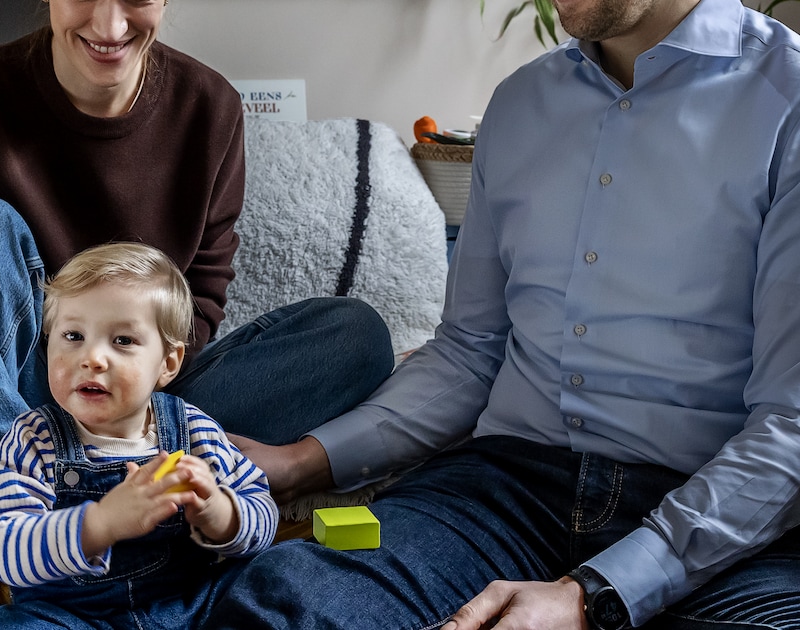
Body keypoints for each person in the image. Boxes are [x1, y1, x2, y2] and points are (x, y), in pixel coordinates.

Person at [210, 0, 800, 627]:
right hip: (502, 490)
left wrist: (594, 594)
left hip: (716, 512)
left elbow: (791, 423)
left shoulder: (786, 101)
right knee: (280, 608)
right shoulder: (522, 102)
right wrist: (300, 465)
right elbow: (471, 349)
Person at [0, 0, 393, 628]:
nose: (109, 25)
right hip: (13, 416)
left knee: (352, 333)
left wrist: (139, 411)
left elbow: (197, 303)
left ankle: (133, 516)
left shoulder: (210, 108)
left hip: (142, 402)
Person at [0, 242, 277, 628]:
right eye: (73, 336)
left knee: (284, 574)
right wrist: (99, 524)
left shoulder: (193, 429)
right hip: (70, 617)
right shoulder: (33, 440)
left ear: (167, 364)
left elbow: (263, 513)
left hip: (189, 607)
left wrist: (219, 512)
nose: (92, 358)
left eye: (123, 341)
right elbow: (2, 548)